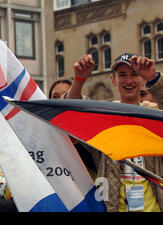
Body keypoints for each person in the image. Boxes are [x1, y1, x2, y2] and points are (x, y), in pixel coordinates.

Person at [67, 52, 163, 212]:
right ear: (113, 80)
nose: (129, 80)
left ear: (143, 80)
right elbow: (72, 118)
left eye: (135, 74)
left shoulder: (153, 118)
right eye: (122, 75)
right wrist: (79, 80)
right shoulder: (105, 119)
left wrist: (154, 78)